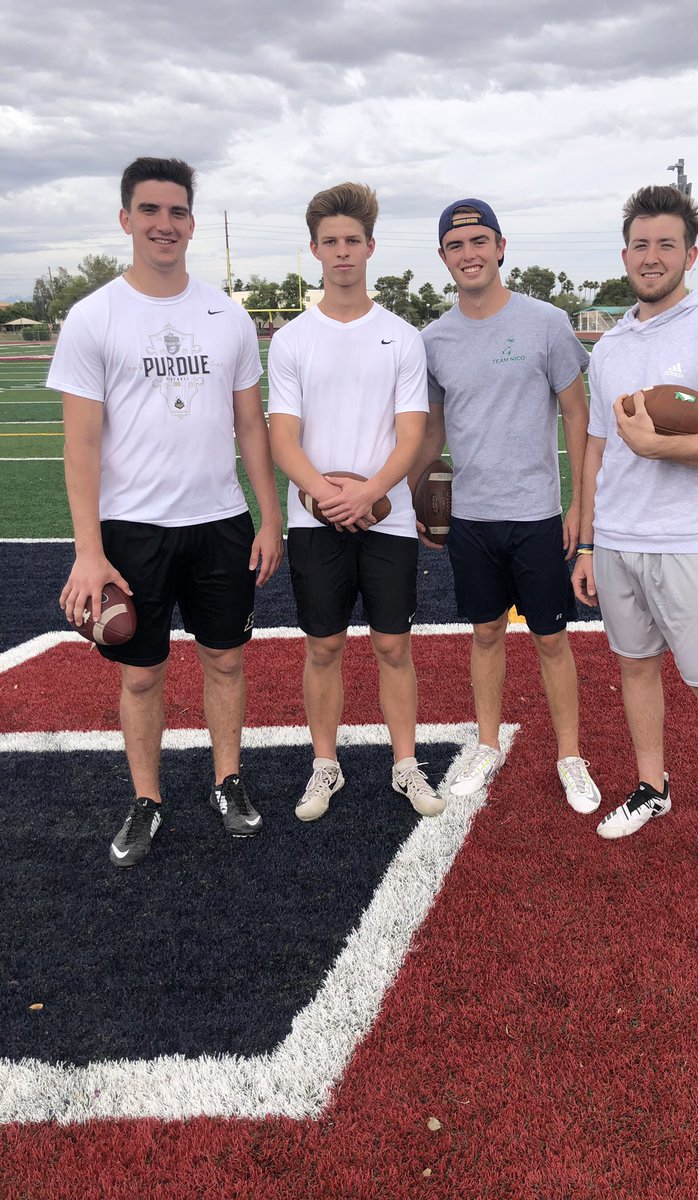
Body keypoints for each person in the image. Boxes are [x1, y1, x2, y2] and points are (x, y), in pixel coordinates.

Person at [49, 156, 284, 868]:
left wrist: (268, 518)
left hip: (219, 521)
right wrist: (89, 551)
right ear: (126, 219)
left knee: (225, 660)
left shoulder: (227, 314)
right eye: (150, 210)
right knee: (141, 673)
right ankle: (147, 798)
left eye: (177, 211)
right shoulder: (94, 316)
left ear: (190, 223)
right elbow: (81, 444)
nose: (164, 224)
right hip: (132, 530)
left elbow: (252, 427)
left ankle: (227, 781)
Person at [571, 184, 698, 904]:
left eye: (666, 245)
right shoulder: (612, 345)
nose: (651, 257)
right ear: (623, 253)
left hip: (689, 544)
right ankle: (652, 786)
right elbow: (597, 446)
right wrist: (590, 542)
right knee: (634, 670)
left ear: (690, 255)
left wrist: (660, 449)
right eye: (640, 244)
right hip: (620, 541)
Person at [415, 198, 601, 813]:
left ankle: (570, 754)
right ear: (443, 257)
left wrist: (580, 504)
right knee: (486, 632)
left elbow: (577, 415)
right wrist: (416, 496)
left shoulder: (545, 322)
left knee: (550, 637)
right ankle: (487, 744)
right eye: (456, 245)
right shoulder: (434, 339)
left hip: (536, 512)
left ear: (500, 247)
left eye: (479, 241)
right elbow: (433, 432)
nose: (469, 254)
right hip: (470, 516)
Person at [267, 183, 443, 821]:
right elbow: (281, 436)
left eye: (353, 241)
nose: (342, 253)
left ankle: (405, 764)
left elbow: (413, 432)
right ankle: (325, 765)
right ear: (314, 249)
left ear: (371, 247)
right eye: (330, 242)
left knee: (393, 645)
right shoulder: (292, 340)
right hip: (314, 517)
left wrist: (368, 493)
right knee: (323, 645)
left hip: (385, 517)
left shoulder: (401, 337)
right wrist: (324, 494)